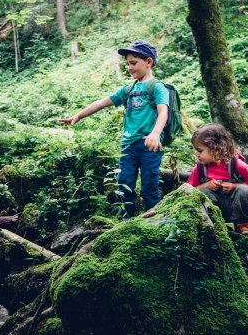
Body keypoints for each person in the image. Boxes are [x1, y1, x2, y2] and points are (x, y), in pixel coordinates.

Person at [59, 41, 169, 219]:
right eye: (127, 64)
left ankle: (154, 219)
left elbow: (163, 111)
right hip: (128, 146)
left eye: (133, 63)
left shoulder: (157, 87)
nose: (129, 68)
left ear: (148, 62)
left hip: (150, 144)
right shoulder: (128, 90)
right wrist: (78, 116)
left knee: (149, 184)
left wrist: (155, 133)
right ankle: (125, 220)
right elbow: (101, 103)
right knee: (124, 183)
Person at [187, 123, 248, 234]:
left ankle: (242, 225)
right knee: (203, 191)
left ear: (215, 148)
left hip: (236, 207)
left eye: (200, 150)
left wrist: (235, 186)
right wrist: (206, 185)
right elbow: (188, 190)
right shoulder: (200, 168)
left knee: (244, 190)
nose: (197, 154)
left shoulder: (237, 165)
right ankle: (212, 226)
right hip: (214, 211)